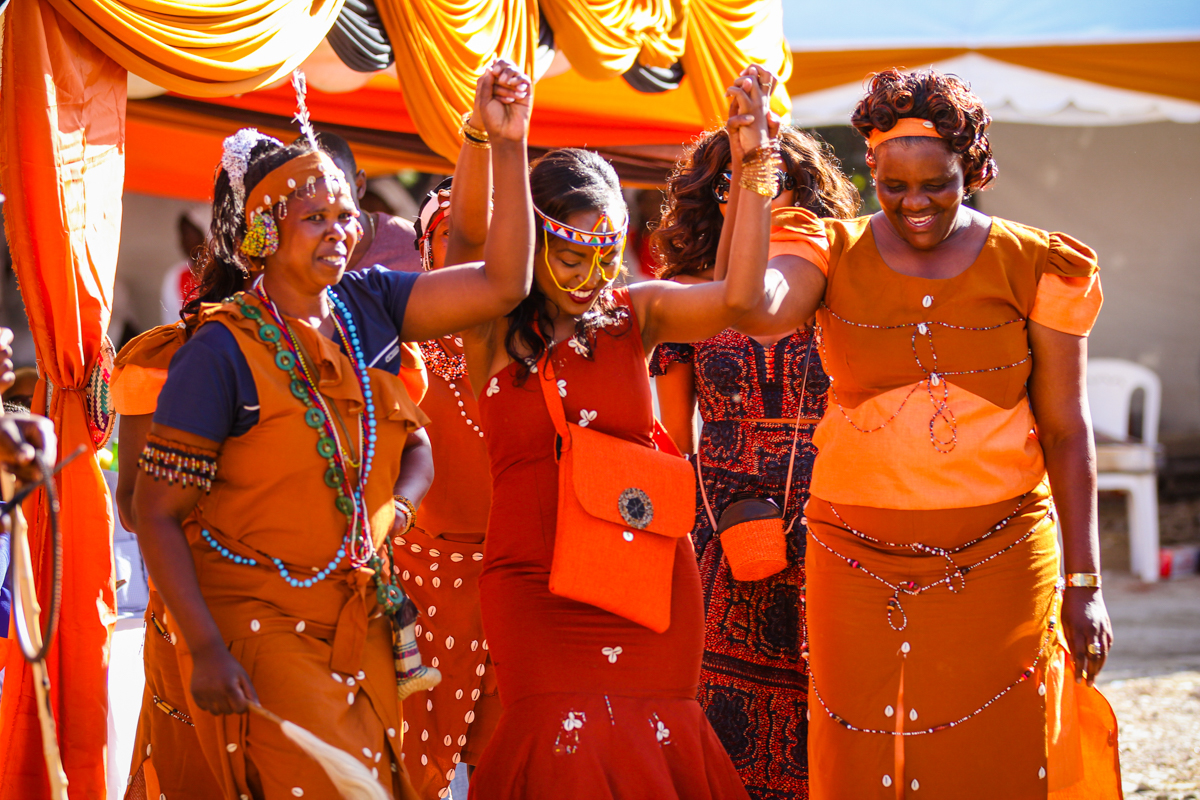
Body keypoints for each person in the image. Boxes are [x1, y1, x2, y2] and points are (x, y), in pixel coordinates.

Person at [130, 60, 536, 799]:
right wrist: (203, 648)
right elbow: (153, 512)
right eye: (316, 217)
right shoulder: (219, 352)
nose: (341, 231)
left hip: (360, 618)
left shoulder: (369, 307)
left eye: (348, 214)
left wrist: (506, 143)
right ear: (262, 230)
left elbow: (503, 284)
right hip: (256, 626)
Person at [723, 68, 1120, 798]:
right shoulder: (828, 250)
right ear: (869, 167)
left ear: (971, 169)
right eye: (894, 185)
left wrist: (1085, 582)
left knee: (1000, 754)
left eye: (936, 184)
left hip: (1001, 555)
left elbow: (1067, 431)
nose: (914, 204)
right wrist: (753, 168)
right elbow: (751, 308)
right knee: (858, 755)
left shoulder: (1038, 263)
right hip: (853, 557)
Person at [462, 66, 779, 798]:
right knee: (557, 743)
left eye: (606, 259)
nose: (589, 278)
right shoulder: (485, 324)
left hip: (646, 585)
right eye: (571, 256)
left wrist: (752, 151)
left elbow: (738, 296)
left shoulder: (636, 316)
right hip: (532, 586)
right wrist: (503, 142)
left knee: (653, 736)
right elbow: (481, 238)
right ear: (534, 242)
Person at [649, 121, 859, 798]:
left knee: (835, 688)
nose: (756, 203)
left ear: (807, 193)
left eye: (776, 185)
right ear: (709, 200)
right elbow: (670, 436)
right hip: (720, 521)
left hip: (832, 513)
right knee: (720, 699)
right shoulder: (683, 294)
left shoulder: (838, 287)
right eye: (733, 188)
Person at [394, 174, 501, 799]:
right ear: (425, 248)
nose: (472, 253)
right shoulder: (402, 349)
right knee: (413, 768)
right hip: (422, 582)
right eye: (451, 238)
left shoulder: (534, 347)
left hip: (518, 578)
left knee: (509, 764)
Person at [316, 132, 422, 274]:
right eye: (307, 189)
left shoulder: (415, 248)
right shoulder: (286, 249)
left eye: (334, 185)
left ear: (360, 186)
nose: (324, 196)